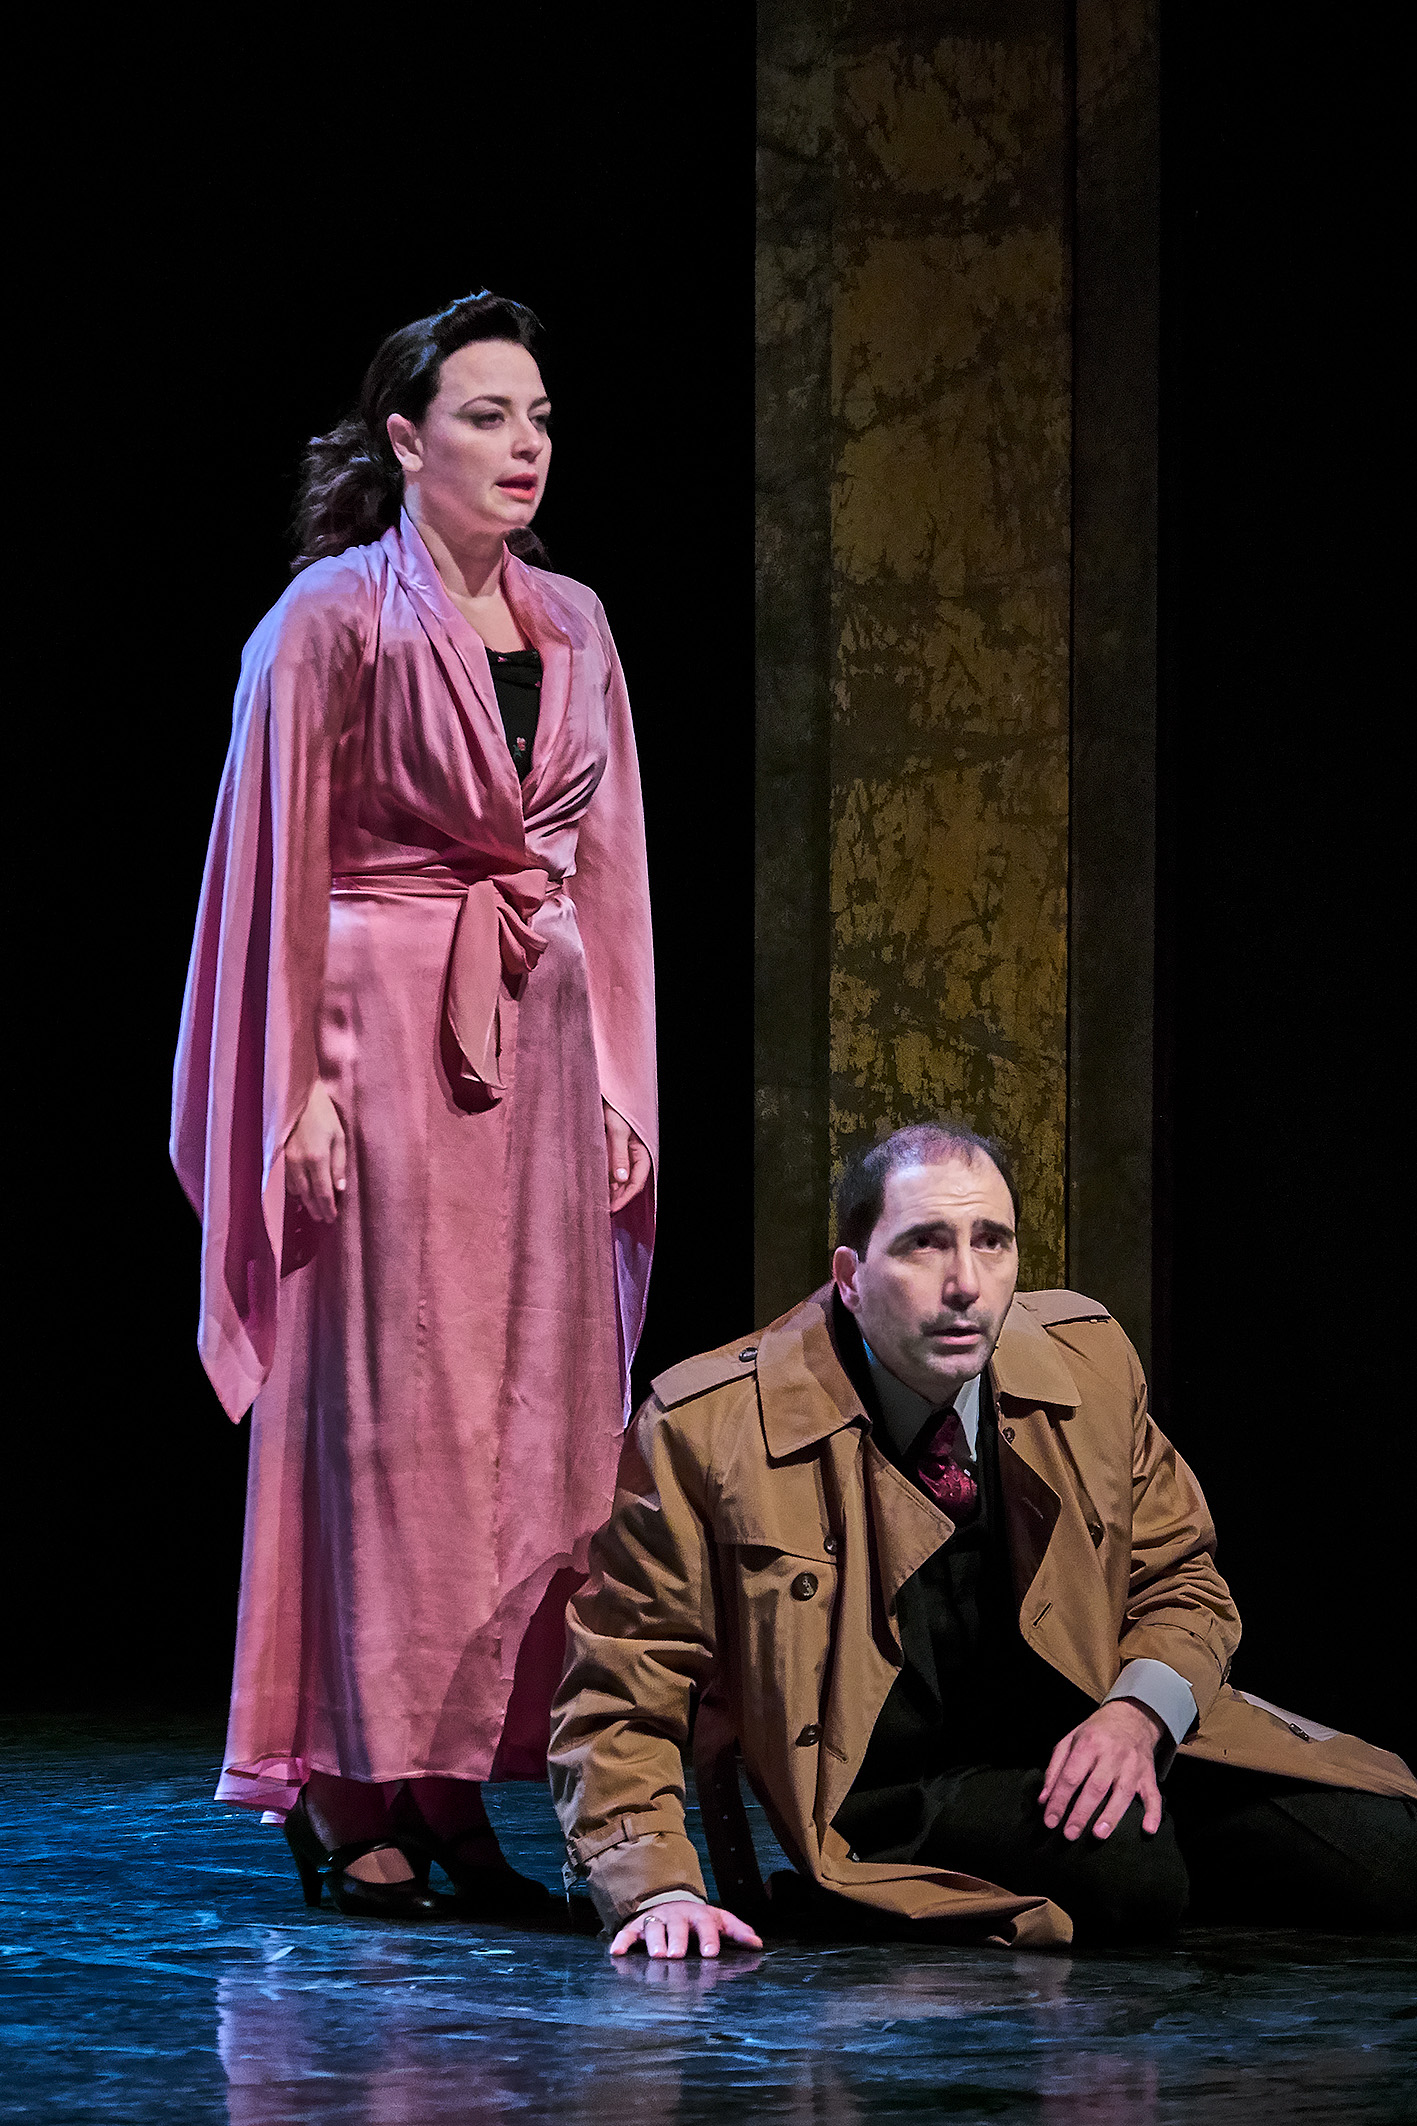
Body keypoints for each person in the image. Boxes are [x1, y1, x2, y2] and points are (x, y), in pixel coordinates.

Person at [172, 291, 656, 1919]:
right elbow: (275, 862)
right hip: (375, 1052)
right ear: (404, 438)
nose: (523, 445)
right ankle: (344, 1782)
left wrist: (620, 1081)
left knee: (527, 1430)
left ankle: (453, 1783)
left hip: (540, 1058)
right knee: (386, 1420)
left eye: (539, 418)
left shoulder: (575, 622)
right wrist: (291, 1093)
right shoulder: (331, 617)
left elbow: (608, 870)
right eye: (485, 415)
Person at [549, 1121, 1416, 1955]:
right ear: (850, 1276)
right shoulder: (708, 1428)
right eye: (923, 1244)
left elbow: (1180, 1580)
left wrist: (1137, 1714)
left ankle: (1161, 1839)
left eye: (990, 1242)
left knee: (1386, 1855)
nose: (964, 1283)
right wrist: (654, 1887)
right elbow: (626, 1672)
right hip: (891, 1792)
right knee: (1125, 1873)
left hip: (1085, 1733)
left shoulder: (1086, 1364)